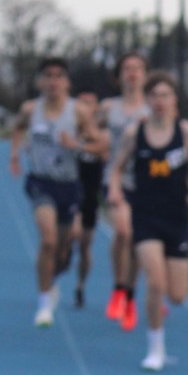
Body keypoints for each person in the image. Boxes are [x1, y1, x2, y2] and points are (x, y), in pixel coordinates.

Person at [108, 71, 188, 370]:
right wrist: (115, 190)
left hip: (176, 218)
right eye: (154, 95)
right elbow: (117, 168)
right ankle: (155, 349)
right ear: (147, 100)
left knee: (177, 296)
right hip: (146, 216)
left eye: (165, 95)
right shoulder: (134, 133)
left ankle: (157, 322)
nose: (159, 101)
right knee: (155, 282)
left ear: (174, 99)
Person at [9, 57, 91, 327]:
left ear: (67, 82)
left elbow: (99, 144)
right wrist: (14, 154)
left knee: (64, 251)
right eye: (48, 76)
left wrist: (77, 144)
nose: (53, 81)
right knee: (48, 240)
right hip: (41, 182)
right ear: (40, 81)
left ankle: (52, 279)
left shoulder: (78, 112)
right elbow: (18, 127)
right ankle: (44, 304)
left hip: (69, 185)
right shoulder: (30, 109)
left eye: (59, 76)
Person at [98, 51, 150, 332]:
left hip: (146, 184)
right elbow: (91, 132)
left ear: (145, 75)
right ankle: (118, 288)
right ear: (119, 76)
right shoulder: (109, 107)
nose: (132, 73)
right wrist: (96, 143)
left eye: (137, 69)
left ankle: (130, 293)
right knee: (123, 231)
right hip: (116, 178)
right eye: (127, 69)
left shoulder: (154, 109)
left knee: (138, 241)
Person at [73, 91, 105, 307]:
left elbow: (104, 150)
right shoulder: (69, 129)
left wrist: (80, 144)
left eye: (89, 104)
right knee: (71, 235)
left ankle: (81, 285)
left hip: (90, 197)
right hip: (70, 193)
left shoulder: (102, 133)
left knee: (85, 247)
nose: (85, 108)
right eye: (82, 103)